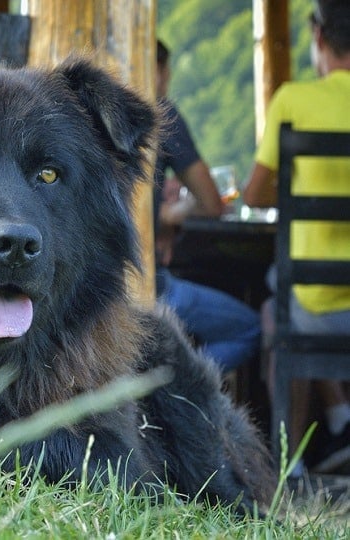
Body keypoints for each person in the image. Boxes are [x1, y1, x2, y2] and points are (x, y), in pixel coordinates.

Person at [243, 0, 350, 476]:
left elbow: (256, 192)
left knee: (278, 314)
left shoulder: (293, 100)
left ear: (320, 39)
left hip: (317, 305)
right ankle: (340, 420)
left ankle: (294, 464)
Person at [153, 39, 261, 373]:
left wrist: (160, 214)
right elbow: (213, 203)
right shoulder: (160, 114)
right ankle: (178, 392)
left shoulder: (89, 113)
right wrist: (172, 213)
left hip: (96, 290)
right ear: (157, 71)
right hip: (151, 288)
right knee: (249, 327)